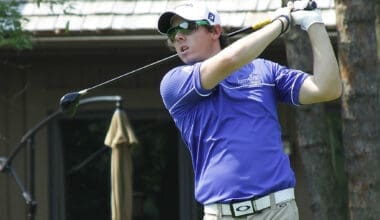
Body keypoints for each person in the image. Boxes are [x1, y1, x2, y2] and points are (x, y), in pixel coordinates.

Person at [157, 1, 342, 219]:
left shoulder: (264, 70)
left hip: (278, 211)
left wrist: (314, 22)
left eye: (187, 27)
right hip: (220, 215)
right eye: (172, 32)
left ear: (215, 30)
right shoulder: (174, 83)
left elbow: (327, 88)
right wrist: (280, 24)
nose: (178, 37)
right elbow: (229, 59)